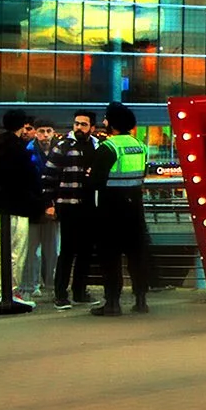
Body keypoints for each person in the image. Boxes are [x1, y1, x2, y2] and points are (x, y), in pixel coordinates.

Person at [88, 101, 151, 316]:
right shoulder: (140, 145)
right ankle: (141, 300)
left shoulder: (109, 147)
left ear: (112, 123)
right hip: (135, 208)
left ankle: (112, 303)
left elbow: (95, 180)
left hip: (110, 210)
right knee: (137, 255)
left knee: (110, 256)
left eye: (106, 118)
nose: (104, 122)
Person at [0, 109, 42, 308]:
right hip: (17, 205)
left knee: (1, 249)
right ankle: (12, 291)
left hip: (0, 205)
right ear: (20, 126)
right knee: (17, 250)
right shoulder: (19, 151)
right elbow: (29, 178)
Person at [44, 111, 100, 310]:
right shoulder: (63, 147)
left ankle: (79, 291)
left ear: (92, 127)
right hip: (68, 205)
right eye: (77, 124)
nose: (79, 128)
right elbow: (49, 176)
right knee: (67, 251)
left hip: (89, 206)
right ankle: (60, 294)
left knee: (86, 251)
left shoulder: (97, 146)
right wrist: (49, 204)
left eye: (84, 125)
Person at [24, 120, 59, 297]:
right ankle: (33, 284)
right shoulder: (28, 151)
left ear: (53, 132)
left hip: (53, 205)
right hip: (34, 206)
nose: (45, 135)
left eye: (48, 131)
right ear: (36, 133)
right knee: (33, 250)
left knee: (52, 249)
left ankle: (51, 283)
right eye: (42, 131)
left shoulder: (59, 151)